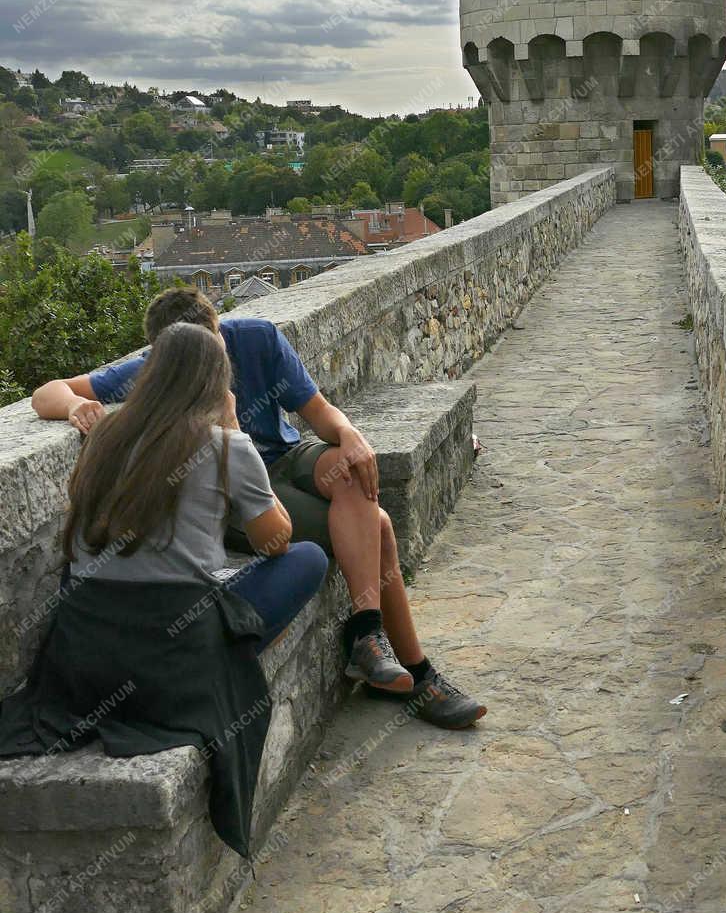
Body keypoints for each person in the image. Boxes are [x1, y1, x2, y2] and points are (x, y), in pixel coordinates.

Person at [31, 285, 486, 730]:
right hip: (241, 484)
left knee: (349, 473)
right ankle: (403, 664)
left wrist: (350, 435)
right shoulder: (160, 370)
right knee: (379, 526)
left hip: (285, 457)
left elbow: (320, 412)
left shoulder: (258, 338)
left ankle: (372, 639)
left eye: (218, 348)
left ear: (221, 333)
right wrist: (76, 405)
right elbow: (46, 393)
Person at [1, 322, 329, 856]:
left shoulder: (104, 435)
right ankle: (227, 655)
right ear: (217, 382)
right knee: (309, 559)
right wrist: (231, 432)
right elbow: (275, 541)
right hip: (172, 652)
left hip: (85, 645)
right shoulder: (226, 446)